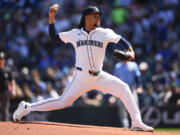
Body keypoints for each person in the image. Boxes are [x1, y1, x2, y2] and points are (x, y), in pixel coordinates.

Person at [13, 4, 153, 131]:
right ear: (86, 18)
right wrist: (51, 18)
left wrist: (130, 50)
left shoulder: (104, 32)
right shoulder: (75, 34)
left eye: (99, 16)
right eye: (95, 16)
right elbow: (54, 36)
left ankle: (136, 122)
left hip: (99, 76)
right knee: (62, 102)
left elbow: (122, 40)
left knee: (124, 88)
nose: (98, 18)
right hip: (81, 78)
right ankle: (27, 107)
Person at [113, 61, 143, 128]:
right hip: (120, 89)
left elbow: (137, 77)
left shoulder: (133, 64)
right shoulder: (117, 66)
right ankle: (125, 126)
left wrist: (139, 86)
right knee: (122, 109)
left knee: (135, 107)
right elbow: (114, 79)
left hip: (131, 88)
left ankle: (137, 125)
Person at [0, 52, 16, 121]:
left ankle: (4, 125)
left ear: (4, 60)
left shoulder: (7, 69)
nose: (0, 60)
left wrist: (13, 90)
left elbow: (12, 81)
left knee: (4, 109)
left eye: (2, 59)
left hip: (5, 92)